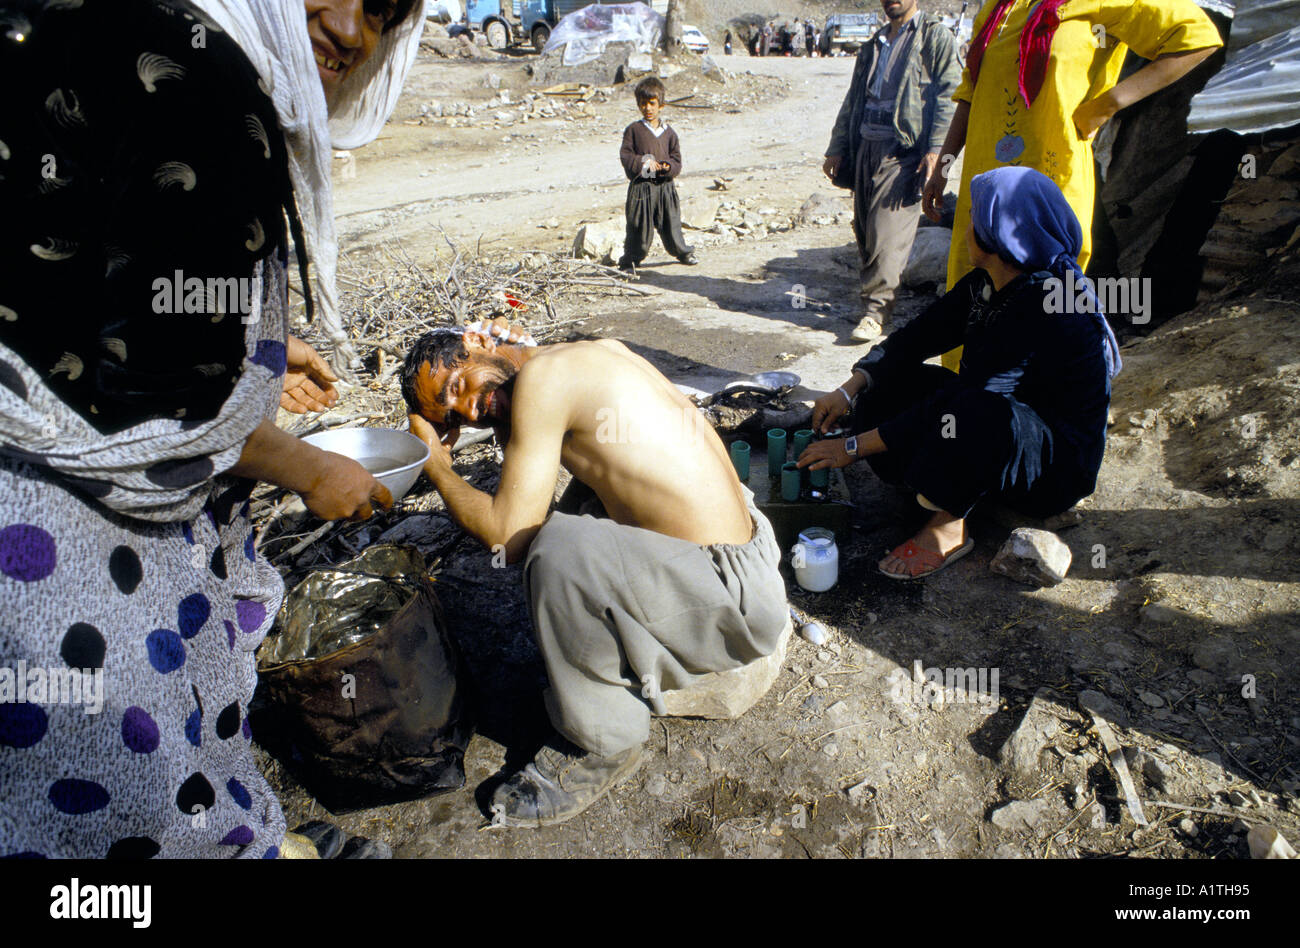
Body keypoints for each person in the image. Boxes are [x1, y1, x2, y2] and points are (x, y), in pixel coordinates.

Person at [0, 0, 429, 860]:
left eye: (381, 9)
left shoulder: (135, 41)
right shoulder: (194, 82)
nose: (350, 28)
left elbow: (107, 297)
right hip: (69, 532)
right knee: (113, 780)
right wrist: (304, 466)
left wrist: (259, 343)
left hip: (80, 499)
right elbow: (155, 419)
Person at [401, 330, 789, 826]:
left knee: (555, 552)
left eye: (457, 385)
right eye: (454, 418)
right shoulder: (590, 350)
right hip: (750, 556)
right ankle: (619, 649)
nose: (470, 413)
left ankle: (603, 741)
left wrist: (436, 465)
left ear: (475, 338)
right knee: (579, 502)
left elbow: (507, 540)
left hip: (731, 599)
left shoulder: (542, 380)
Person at [798, 167, 1118, 579]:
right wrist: (847, 390)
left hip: (1053, 464)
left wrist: (853, 448)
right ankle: (949, 487)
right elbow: (915, 338)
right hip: (999, 425)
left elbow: (966, 400)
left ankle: (948, 525)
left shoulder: (1047, 302)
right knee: (889, 385)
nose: (965, 228)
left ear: (996, 235)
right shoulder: (987, 283)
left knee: (972, 410)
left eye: (974, 219)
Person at [921, 0, 1222, 370]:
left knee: (1047, 286)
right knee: (979, 281)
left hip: (1053, 176)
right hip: (986, 183)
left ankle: (1039, 406)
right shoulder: (997, 10)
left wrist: (1110, 102)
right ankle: (969, 397)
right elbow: (970, 95)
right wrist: (943, 167)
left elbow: (1196, 38)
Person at [823, 0, 962, 342]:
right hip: (866, 145)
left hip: (905, 152)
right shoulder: (874, 44)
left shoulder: (934, 37)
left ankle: (875, 312)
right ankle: (876, 300)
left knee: (887, 233)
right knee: (866, 231)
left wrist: (936, 151)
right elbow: (853, 99)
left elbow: (950, 95)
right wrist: (837, 146)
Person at [617, 77, 698, 272]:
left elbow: (677, 160)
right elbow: (626, 156)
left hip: (665, 187)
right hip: (641, 188)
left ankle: (684, 252)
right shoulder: (633, 130)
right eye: (643, 104)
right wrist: (644, 161)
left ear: (661, 105)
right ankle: (631, 260)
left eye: (652, 103)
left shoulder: (670, 133)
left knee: (671, 222)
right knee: (638, 226)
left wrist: (667, 166)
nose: (648, 108)